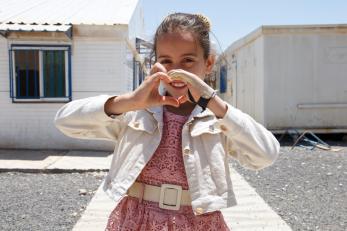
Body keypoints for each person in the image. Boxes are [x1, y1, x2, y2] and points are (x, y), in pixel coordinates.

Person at [54, 13, 280, 231]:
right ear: (156, 63)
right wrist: (129, 101)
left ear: (208, 63)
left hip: (200, 222)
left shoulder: (218, 118)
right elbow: (65, 121)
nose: (177, 71)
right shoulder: (137, 110)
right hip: (137, 221)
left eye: (188, 60)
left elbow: (266, 154)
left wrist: (214, 102)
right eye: (166, 61)